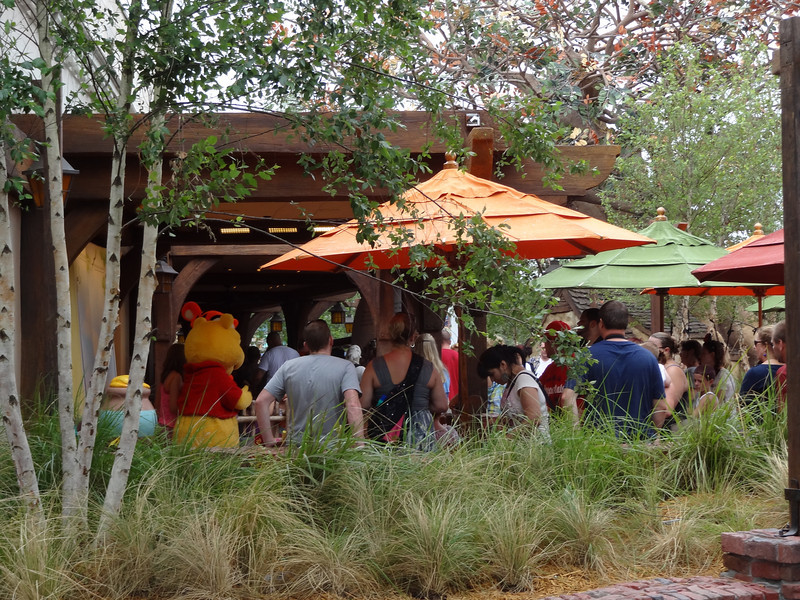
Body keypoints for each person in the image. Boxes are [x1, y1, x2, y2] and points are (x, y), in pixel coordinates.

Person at [254, 320, 363, 446]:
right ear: (331, 340)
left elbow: (261, 401)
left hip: (296, 448)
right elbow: (353, 405)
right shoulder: (346, 367)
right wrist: (359, 445)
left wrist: (269, 441)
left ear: (306, 345)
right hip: (331, 449)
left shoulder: (288, 367)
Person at [564, 300, 664, 437]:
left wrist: (577, 437)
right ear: (626, 324)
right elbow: (660, 406)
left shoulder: (586, 356)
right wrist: (654, 436)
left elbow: (567, 397)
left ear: (601, 323)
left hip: (600, 442)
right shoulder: (648, 357)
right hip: (641, 442)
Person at [361, 314, 448, 450]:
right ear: (413, 336)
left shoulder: (374, 367)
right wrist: (421, 405)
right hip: (420, 435)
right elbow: (441, 405)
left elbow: (363, 404)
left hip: (384, 434)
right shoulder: (428, 367)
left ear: (390, 334)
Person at [477, 344, 549, 437]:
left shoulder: (524, 380)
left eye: (492, 374)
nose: (492, 379)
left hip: (537, 443)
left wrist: (507, 439)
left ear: (503, 365)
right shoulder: (513, 382)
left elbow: (534, 419)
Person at [539, 321, 579, 419]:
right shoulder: (550, 370)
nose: (544, 345)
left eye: (546, 341)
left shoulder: (577, 367)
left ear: (554, 342)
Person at [649, 333, 689, 429]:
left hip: (671, 430)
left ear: (666, 350)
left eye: (652, 347)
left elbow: (667, 410)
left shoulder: (673, 371)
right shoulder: (659, 367)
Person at [739, 326, 783, 406]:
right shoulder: (791, 370)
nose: (754, 347)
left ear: (765, 346)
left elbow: (743, 406)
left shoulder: (754, 374)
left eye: (756, 343)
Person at [159, 343, 185, 433]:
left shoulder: (165, 376)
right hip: (172, 425)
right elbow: (173, 407)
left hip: (162, 423)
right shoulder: (176, 377)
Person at [700, 339, 736, 405]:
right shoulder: (709, 373)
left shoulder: (723, 375)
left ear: (712, 355)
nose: (701, 357)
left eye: (704, 354)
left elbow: (717, 401)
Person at [440, 328, 460, 406]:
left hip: (442, 399)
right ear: (450, 342)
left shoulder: (436, 356)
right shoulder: (458, 356)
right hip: (457, 398)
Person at [772, 320, 788, 410]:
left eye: (773, 344)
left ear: (780, 344)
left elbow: (782, 412)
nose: (773, 348)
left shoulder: (783, 373)